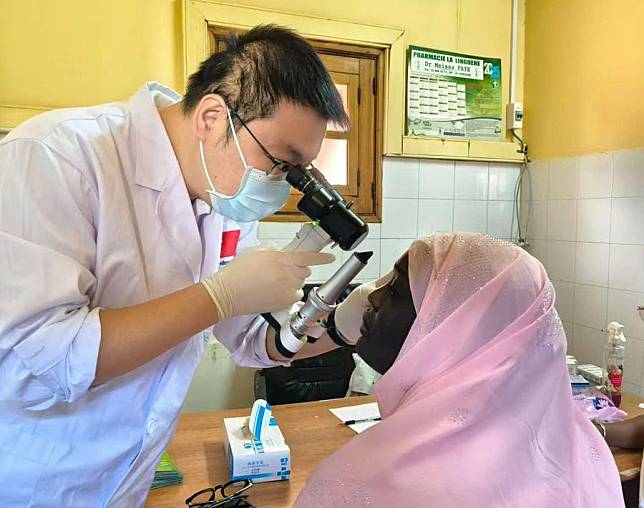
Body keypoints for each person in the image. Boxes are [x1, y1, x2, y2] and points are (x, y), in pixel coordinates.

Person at [0, 25, 368, 506]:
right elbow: (52, 357)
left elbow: (253, 343)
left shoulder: (224, 197)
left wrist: (343, 322)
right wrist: (219, 296)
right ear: (213, 117)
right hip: (36, 482)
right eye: (281, 162)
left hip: (129, 481)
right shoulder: (57, 157)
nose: (283, 184)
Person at [296, 233, 625, 507]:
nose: (374, 296)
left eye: (396, 289)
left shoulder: (371, 483)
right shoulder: (580, 447)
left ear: (457, 330)